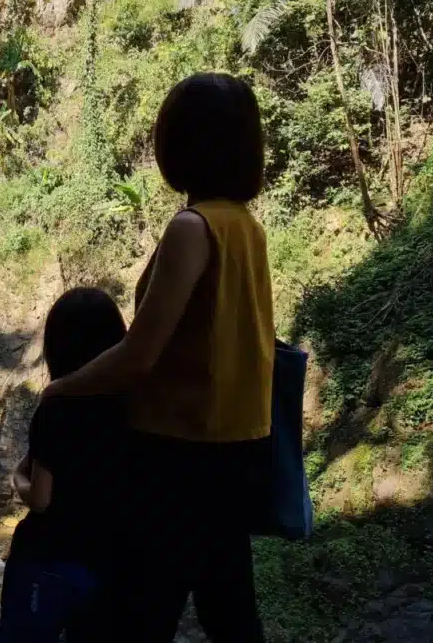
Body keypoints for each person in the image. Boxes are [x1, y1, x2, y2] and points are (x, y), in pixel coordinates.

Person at [44, 73, 274, 642]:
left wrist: (62, 387)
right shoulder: (246, 227)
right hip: (239, 448)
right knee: (229, 609)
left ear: (182, 145)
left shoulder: (191, 229)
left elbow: (140, 353)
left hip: (178, 454)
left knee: (141, 614)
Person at [0, 287, 128, 643]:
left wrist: (16, 479)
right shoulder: (134, 406)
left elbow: (41, 498)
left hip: (49, 560)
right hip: (109, 561)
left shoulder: (58, 406)